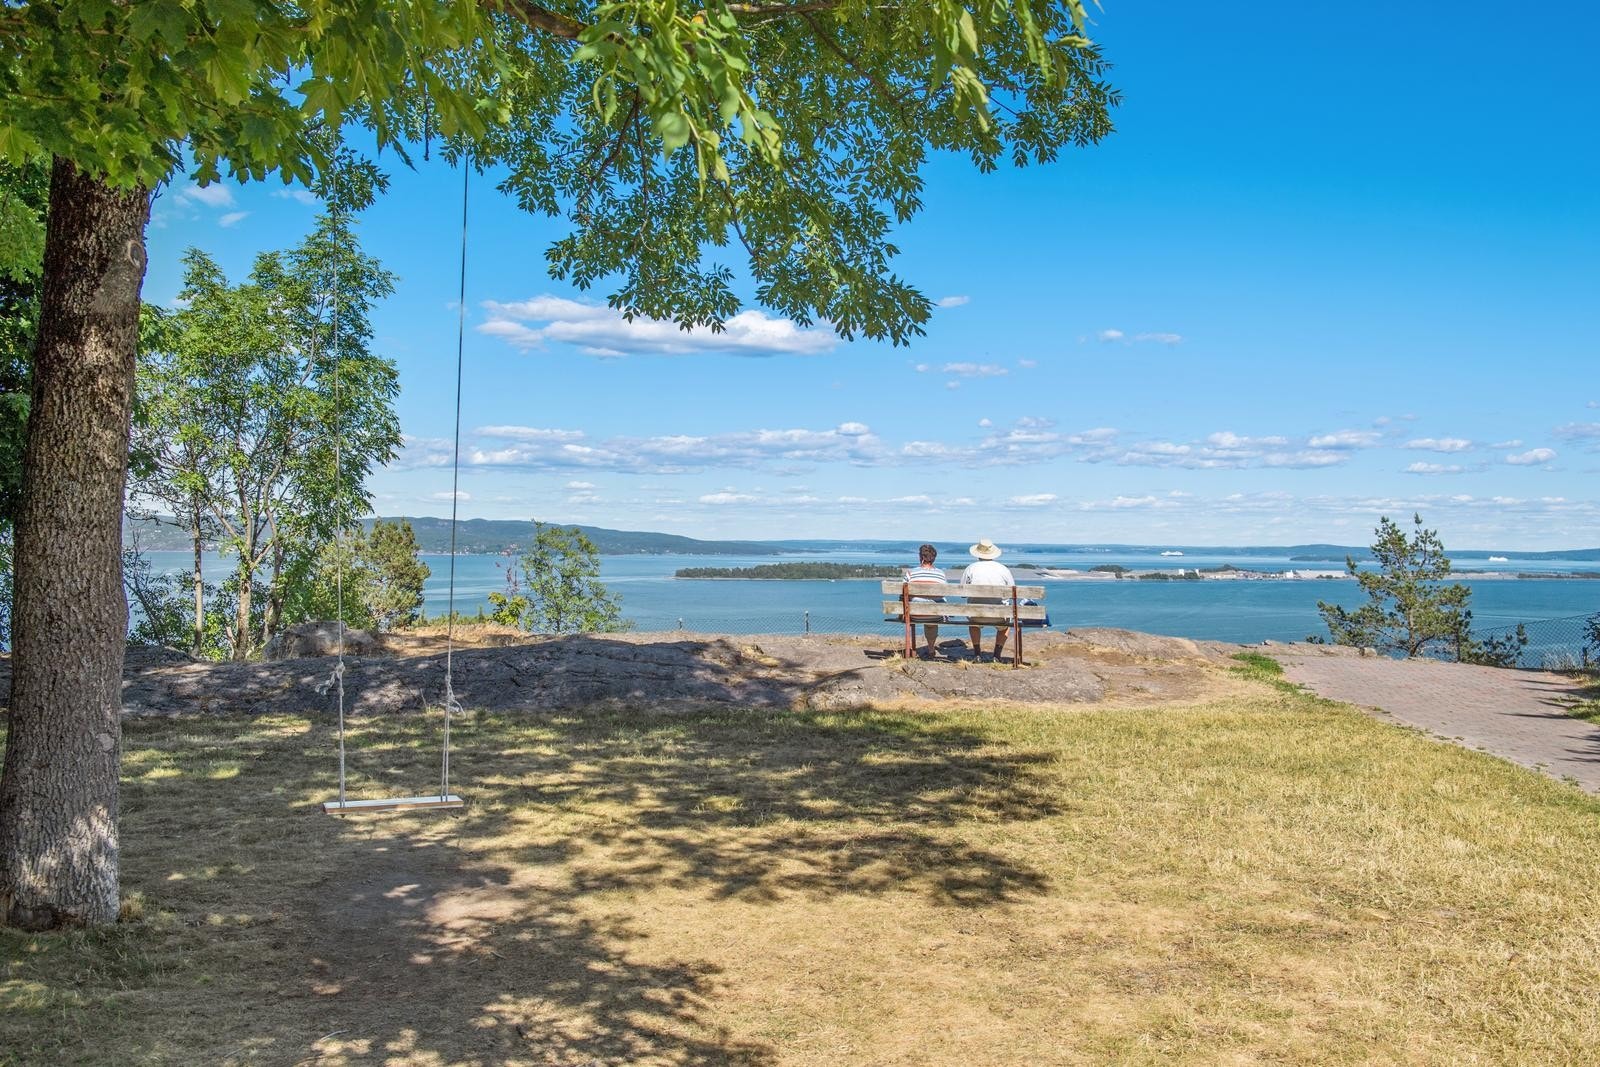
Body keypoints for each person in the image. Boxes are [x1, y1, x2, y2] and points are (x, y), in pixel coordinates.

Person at [962, 538, 1015, 662]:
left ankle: (977, 654)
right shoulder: (1003, 569)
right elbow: (1012, 592)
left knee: (973, 625)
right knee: (1005, 626)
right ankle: (996, 655)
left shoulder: (970, 568)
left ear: (977, 553)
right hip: (999, 615)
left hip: (976, 614)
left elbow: (963, 593)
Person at [903, 543, 948, 658]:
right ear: (933, 558)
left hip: (913, 614)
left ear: (921, 557)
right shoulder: (940, 574)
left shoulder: (910, 573)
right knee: (932, 617)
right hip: (934, 615)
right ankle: (931, 649)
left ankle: (912, 650)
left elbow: (902, 595)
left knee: (922, 607)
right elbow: (944, 593)